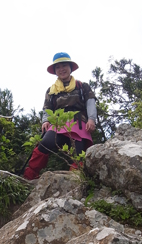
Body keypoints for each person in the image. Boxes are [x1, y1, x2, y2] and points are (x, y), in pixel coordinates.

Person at [23, 52, 97, 180]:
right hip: (58, 123)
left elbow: (90, 102)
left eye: (64, 65)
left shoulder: (82, 86)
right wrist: (45, 121)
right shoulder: (51, 90)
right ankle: (29, 176)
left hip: (78, 123)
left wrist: (91, 119)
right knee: (45, 143)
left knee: (78, 153)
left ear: (70, 67)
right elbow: (47, 108)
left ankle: (76, 181)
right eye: (58, 67)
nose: (61, 69)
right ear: (55, 71)